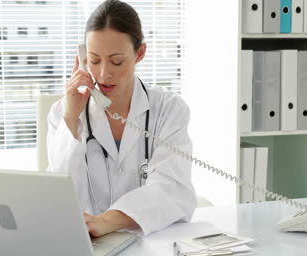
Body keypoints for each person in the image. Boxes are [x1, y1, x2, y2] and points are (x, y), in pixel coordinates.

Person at [47, 0, 196, 237]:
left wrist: (107, 221)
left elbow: (172, 190)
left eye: (117, 61)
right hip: (87, 247)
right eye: (94, 60)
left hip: (150, 242)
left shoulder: (169, 109)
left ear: (140, 53)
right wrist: (71, 117)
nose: (105, 74)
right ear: (82, 58)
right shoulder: (62, 113)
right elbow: (59, 198)